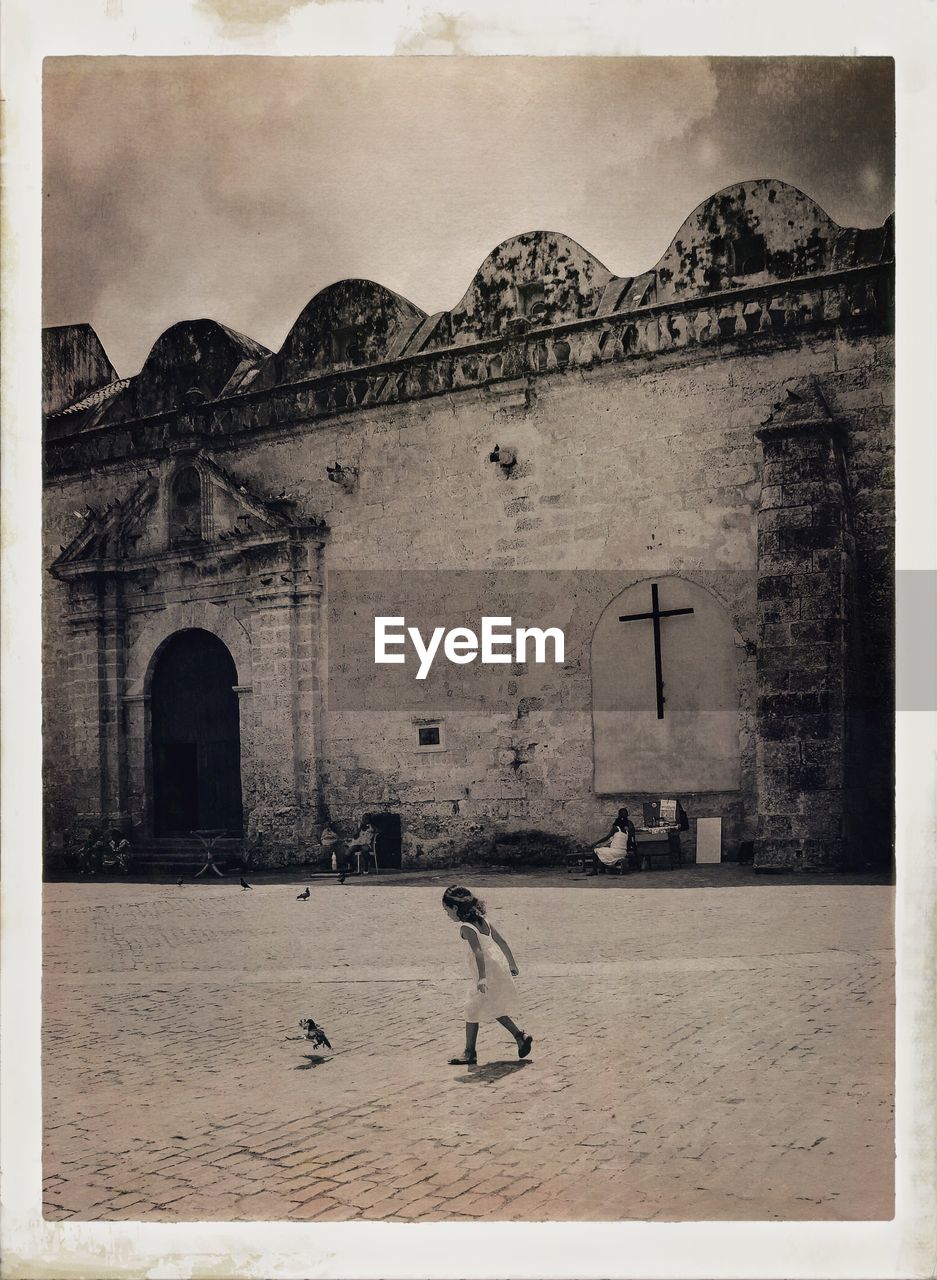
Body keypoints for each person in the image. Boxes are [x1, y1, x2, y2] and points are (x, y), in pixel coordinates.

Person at [442, 885, 532, 1065]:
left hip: (486, 972)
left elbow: (478, 952)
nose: (447, 915)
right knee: (493, 1006)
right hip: (498, 967)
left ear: (455, 908)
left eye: (447, 910)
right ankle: (519, 1036)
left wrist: (482, 978)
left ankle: (470, 1053)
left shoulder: (466, 928)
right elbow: (502, 941)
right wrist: (512, 963)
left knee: (471, 1009)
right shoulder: (484, 921)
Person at [589, 807, 636, 874]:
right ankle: (602, 869)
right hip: (623, 852)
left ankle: (594, 871)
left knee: (596, 851)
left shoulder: (615, 828)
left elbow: (606, 837)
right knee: (604, 851)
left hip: (616, 852)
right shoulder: (627, 830)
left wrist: (596, 843)